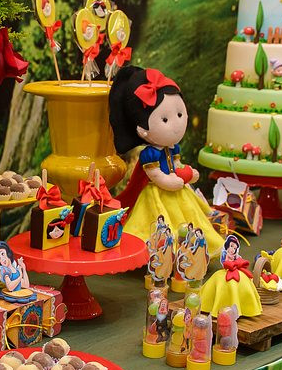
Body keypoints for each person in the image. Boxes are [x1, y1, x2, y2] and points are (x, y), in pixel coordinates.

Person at [109, 66, 223, 254]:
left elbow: (176, 164)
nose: (177, 124)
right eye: (164, 119)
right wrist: (168, 180)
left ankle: (194, 248)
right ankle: (164, 253)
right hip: (156, 193)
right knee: (157, 222)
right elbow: (154, 174)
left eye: (179, 115)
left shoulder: (172, 147)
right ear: (142, 129)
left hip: (177, 189)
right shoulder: (150, 154)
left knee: (192, 215)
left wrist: (186, 172)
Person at [199, 233, 262, 318]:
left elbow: (238, 260)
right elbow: (226, 262)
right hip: (226, 272)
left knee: (242, 283)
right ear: (227, 246)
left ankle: (245, 308)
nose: (232, 249)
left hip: (238, 273)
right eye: (231, 246)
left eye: (235, 248)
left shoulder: (235, 256)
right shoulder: (226, 255)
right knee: (222, 283)